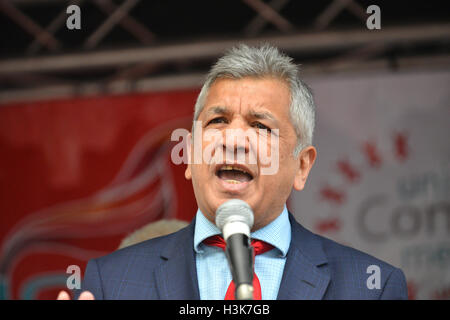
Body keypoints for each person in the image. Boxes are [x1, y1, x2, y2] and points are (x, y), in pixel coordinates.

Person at [57, 44, 407, 300]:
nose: (233, 141)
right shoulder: (112, 282)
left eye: (259, 126)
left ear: (301, 166)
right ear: (191, 154)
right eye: (218, 121)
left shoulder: (369, 286)